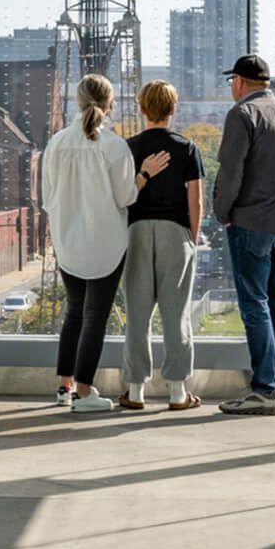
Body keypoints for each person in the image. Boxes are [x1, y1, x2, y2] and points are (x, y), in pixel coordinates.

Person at [40, 73, 171, 414]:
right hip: (105, 244)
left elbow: (47, 198)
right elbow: (126, 197)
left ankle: (65, 386)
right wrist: (144, 174)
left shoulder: (56, 144)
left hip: (67, 242)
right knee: (95, 317)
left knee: (73, 313)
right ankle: (85, 393)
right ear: (110, 103)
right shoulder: (114, 146)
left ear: (78, 101)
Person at [210, 54, 275, 414]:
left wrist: (223, 212)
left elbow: (231, 172)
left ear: (239, 81)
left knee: (255, 305)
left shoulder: (242, 114)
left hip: (251, 223)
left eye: (232, 82)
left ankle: (264, 390)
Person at [117, 79, 204, 411]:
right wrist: (191, 239)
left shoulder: (127, 148)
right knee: (176, 314)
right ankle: (178, 393)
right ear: (173, 109)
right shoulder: (187, 148)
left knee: (137, 316)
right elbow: (196, 201)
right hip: (175, 233)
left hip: (135, 232)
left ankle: (135, 391)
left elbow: (122, 196)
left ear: (142, 109)